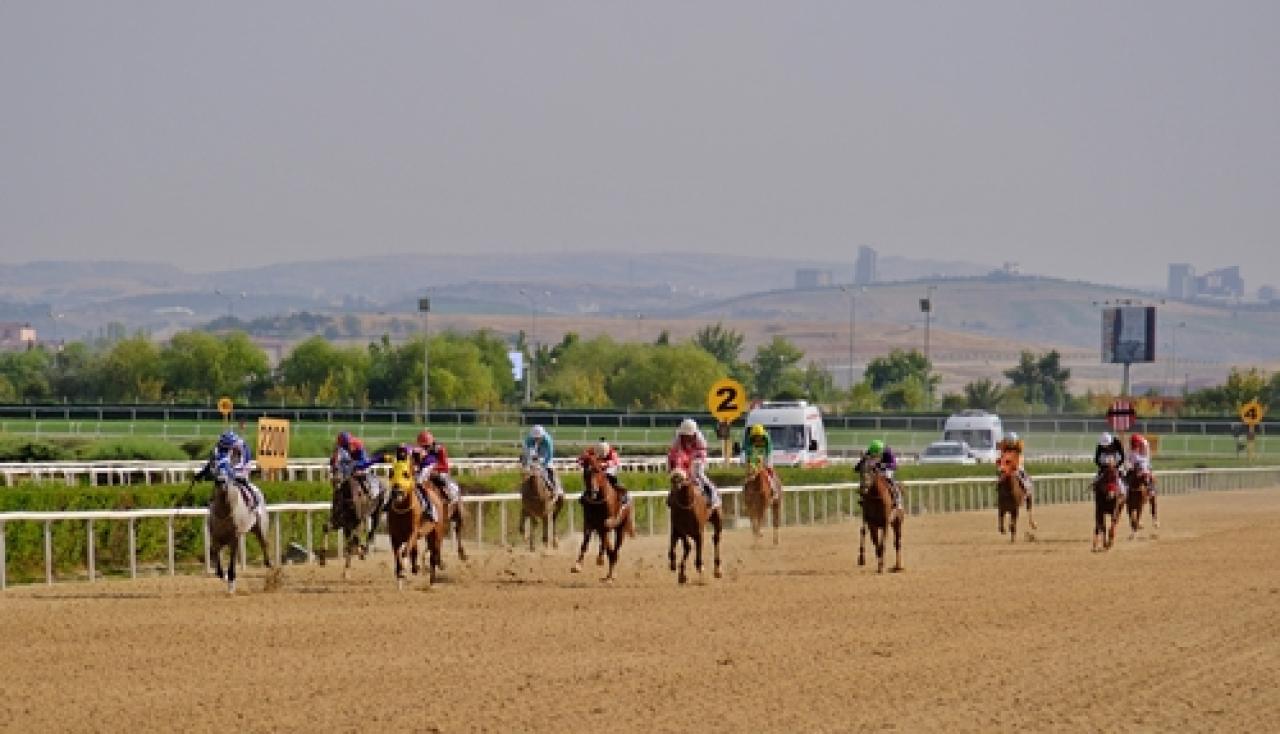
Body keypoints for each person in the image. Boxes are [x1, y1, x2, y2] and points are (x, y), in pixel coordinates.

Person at [203, 429, 265, 511]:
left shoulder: (242, 446)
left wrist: (233, 472)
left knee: (241, 480)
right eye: (224, 446)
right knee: (220, 480)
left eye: (227, 446)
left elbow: (244, 462)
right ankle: (212, 500)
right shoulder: (219, 446)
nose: (225, 448)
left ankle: (254, 498)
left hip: (243, 464)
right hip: (229, 465)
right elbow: (214, 460)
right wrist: (209, 471)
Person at [667, 418, 720, 511]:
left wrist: (691, 460)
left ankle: (712, 495)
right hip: (685, 456)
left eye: (688, 435)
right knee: (677, 474)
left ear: (694, 434)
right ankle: (671, 495)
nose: (686, 437)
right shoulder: (678, 438)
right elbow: (672, 453)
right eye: (684, 435)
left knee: (697, 473)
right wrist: (672, 468)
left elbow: (702, 451)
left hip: (698, 457)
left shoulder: (699, 438)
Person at [414, 429, 460, 507]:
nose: (425, 448)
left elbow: (445, 466)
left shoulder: (440, 449)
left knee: (444, 479)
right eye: (422, 446)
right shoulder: (418, 452)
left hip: (439, 471)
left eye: (426, 446)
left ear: (431, 443)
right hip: (424, 473)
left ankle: (452, 497)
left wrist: (434, 469)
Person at [854, 439, 902, 510]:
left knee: (888, 478)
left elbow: (894, 465)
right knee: (867, 478)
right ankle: (863, 498)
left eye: (875, 454)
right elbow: (860, 464)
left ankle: (897, 500)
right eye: (872, 454)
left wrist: (881, 465)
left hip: (887, 469)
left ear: (880, 451)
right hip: (876, 469)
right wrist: (858, 466)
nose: (873, 455)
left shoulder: (888, 452)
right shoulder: (870, 451)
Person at [521, 425, 564, 501]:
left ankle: (557, 489)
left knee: (550, 470)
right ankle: (523, 490)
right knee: (526, 472)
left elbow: (550, 454)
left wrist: (543, 464)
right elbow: (527, 452)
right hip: (533, 456)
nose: (537, 439)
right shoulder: (529, 439)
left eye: (538, 438)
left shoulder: (548, 440)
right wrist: (529, 462)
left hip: (546, 457)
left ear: (542, 436)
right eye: (535, 438)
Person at [743, 423, 782, 503]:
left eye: (759, 436)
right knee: (749, 473)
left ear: (762, 435)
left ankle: (774, 490)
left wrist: (764, 465)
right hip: (755, 455)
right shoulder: (750, 441)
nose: (758, 438)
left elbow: (767, 454)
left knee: (769, 469)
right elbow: (749, 456)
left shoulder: (766, 439)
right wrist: (752, 466)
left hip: (767, 453)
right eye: (756, 437)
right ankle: (745, 493)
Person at [996, 431, 1033, 510]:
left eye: (1012, 442)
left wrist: (1016, 466)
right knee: (1000, 474)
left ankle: (1027, 489)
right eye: (1009, 442)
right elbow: (1002, 457)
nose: (1010, 443)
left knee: (1022, 473)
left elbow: (1019, 457)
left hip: (1018, 462)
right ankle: (999, 490)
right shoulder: (1004, 447)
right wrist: (1001, 466)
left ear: (1015, 441)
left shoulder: (1018, 446)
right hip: (1007, 464)